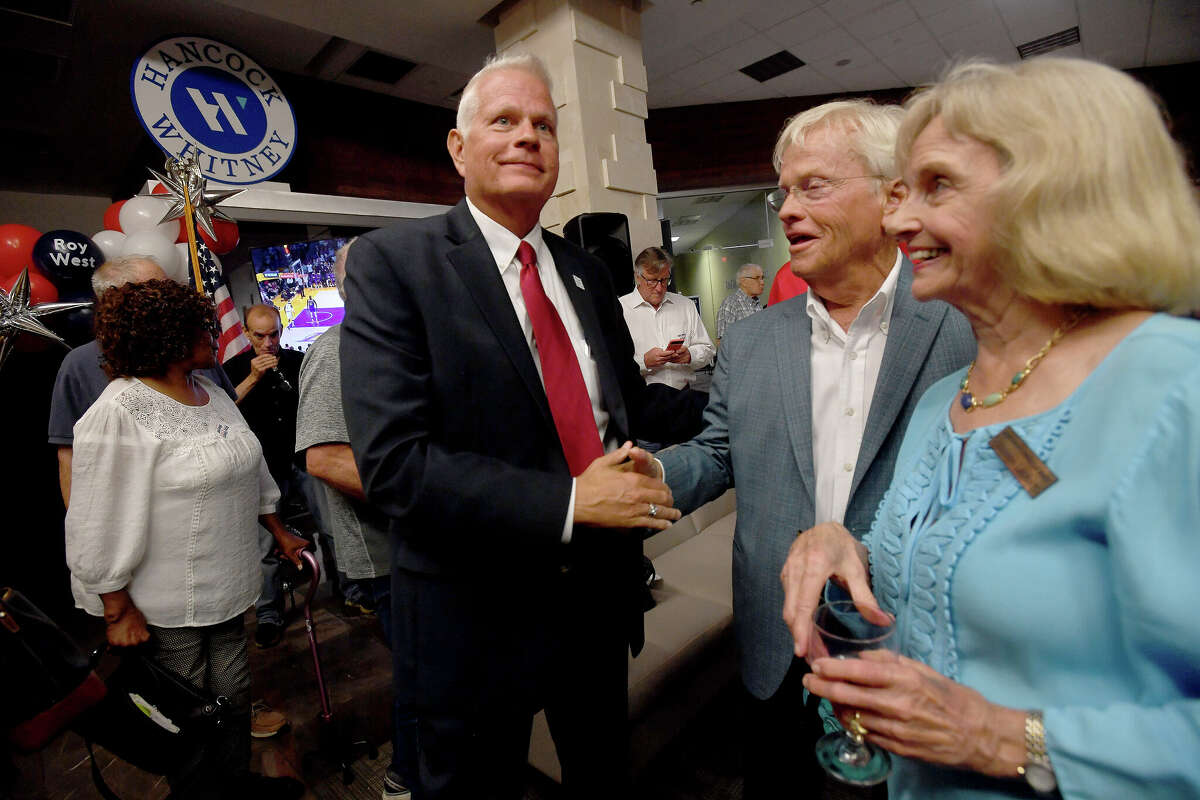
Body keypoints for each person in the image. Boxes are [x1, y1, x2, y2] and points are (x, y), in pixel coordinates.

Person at [786, 58, 1200, 800]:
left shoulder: (1175, 388)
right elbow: (918, 587)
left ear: (1058, 188)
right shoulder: (948, 397)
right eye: (901, 191)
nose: (897, 219)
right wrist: (837, 543)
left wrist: (1001, 737)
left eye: (937, 185)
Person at [339, 52, 680, 799]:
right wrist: (569, 502)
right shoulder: (394, 264)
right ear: (458, 149)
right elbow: (395, 464)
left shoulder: (587, 271)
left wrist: (740, 393)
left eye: (545, 126)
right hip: (475, 616)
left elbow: (630, 403)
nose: (529, 136)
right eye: (505, 120)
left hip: (596, 603)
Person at [638, 99, 975, 798]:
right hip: (774, 642)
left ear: (892, 197)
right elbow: (720, 450)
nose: (788, 209)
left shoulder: (963, 325)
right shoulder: (755, 339)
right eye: (782, 190)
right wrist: (654, 476)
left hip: (908, 650)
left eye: (813, 186)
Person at [64, 279, 309, 799]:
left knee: (234, 698)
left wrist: (280, 529)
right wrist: (115, 607)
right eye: (202, 326)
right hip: (165, 603)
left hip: (227, 587)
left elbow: (251, 468)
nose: (215, 333)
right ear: (165, 335)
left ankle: (236, 785)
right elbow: (94, 519)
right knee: (190, 715)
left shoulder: (214, 393)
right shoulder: (119, 410)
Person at [294, 240, 416, 799]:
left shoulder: (404, 339)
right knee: (421, 674)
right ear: (347, 288)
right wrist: (432, 494)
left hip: (430, 543)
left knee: (440, 667)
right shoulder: (334, 350)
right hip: (388, 550)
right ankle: (404, 779)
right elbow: (325, 457)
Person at [47, 255, 236, 508]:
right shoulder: (81, 366)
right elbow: (70, 456)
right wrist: (80, 526)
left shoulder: (196, 352)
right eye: (158, 289)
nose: (173, 296)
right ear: (120, 300)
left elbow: (233, 421)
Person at [223, 304, 310, 648]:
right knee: (263, 545)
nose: (268, 342)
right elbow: (222, 410)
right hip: (261, 467)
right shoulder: (231, 368)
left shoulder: (297, 361)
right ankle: (268, 613)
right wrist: (253, 377)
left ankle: (352, 589)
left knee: (333, 520)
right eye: (259, 335)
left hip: (301, 457)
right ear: (246, 334)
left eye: (273, 333)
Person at [619, 246, 716, 445]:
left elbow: (708, 350)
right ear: (637, 277)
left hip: (684, 406)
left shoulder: (685, 306)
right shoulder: (620, 310)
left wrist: (689, 355)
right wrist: (644, 362)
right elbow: (612, 367)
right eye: (652, 280)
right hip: (643, 410)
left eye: (665, 279)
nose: (660, 287)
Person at [715, 262, 764, 342]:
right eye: (757, 278)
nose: (762, 282)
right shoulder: (731, 304)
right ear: (744, 281)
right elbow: (723, 343)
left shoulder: (758, 304)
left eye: (762, 278)